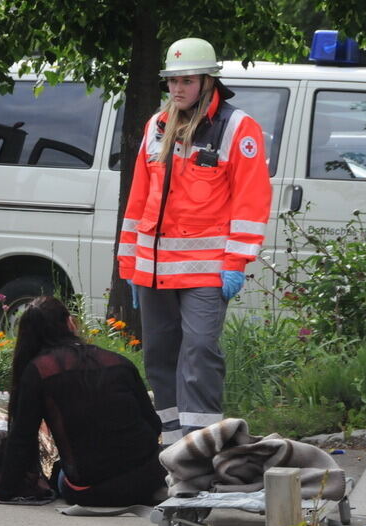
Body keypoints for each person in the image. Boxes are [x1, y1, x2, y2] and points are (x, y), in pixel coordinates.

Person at [117, 38, 272, 444]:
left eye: (186, 80)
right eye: (172, 81)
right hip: (153, 270)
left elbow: (251, 199)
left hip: (207, 271)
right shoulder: (157, 126)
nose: (178, 89)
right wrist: (130, 266)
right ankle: (171, 446)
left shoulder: (238, 128)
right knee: (159, 358)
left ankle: (201, 444)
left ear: (207, 81)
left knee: (200, 352)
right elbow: (138, 199)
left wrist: (235, 262)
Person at [0, 296, 165, 507]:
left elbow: (22, 440)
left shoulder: (39, 372)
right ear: (70, 322)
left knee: (58, 475)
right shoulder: (118, 362)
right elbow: (153, 425)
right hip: (150, 479)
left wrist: (3, 494)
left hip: (93, 491)